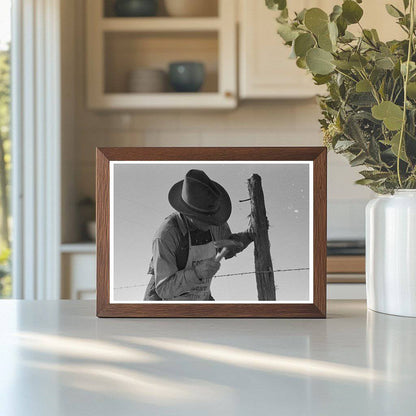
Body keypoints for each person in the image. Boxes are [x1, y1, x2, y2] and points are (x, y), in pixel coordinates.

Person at [144, 169, 253, 301]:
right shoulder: (166, 235)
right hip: (165, 301)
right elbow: (164, 288)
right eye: (204, 219)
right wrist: (197, 273)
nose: (211, 223)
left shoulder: (215, 221)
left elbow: (229, 245)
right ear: (188, 212)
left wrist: (248, 236)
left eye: (212, 218)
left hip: (201, 298)